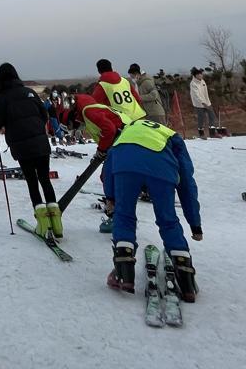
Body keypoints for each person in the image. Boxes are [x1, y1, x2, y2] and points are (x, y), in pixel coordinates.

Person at [102, 117, 202, 301]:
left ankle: (124, 273)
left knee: (124, 215)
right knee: (168, 220)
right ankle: (186, 277)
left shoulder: (125, 132)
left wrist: (110, 197)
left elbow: (108, 166)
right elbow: (187, 181)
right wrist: (195, 223)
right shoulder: (171, 135)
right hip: (161, 167)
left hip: (126, 163)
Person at [0, 64, 60, 240]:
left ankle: (43, 225)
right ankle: (57, 225)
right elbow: (44, 114)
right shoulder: (30, 92)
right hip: (41, 142)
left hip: (21, 145)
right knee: (45, 180)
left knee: (32, 182)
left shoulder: (2, 98)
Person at [91, 59, 147, 124]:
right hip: (139, 116)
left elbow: (95, 105)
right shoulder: (124, 80)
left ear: (99, 71)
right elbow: (137, 98)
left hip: (122, 121)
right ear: (111, 68)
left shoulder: (102, 85)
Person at [189, 69, 217, 140]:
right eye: (199, 74)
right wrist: (203, 103)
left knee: (212, 116)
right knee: (201, 118)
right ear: (195, 76)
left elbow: (204, 92)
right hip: (199, 104)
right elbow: (196, 95)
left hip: (207, 102)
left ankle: (212, 133)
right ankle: (201, 134)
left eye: (201, 74)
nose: (201, 75)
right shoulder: (193, 84)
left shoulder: (203, 81)